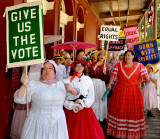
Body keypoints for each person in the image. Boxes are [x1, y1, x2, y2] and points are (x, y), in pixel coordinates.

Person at [14, 60, 79, 139]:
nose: (47, 71)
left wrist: (71, 89)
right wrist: (24, 85)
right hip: (37, 124)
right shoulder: (34, 84)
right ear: (41, 72)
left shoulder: (63, 84)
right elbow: (18, 99)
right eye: (44, 69)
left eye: (50, 68)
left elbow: (76, 94)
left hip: (58, 123)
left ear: (55, 71)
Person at [106, 50, 148, 139]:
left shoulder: (139, 66)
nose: (126, 57)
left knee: (132, 110)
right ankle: (118, 131)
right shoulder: (118, 65)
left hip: (134, 91)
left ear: (133, 56)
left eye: (129, 55)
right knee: (120, 109)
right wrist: (109, 85)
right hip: (120, 90)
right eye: (125, 55)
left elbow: (144, 77)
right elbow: (113, 76)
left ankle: (132, 132)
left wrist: (150, 78)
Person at [63, 59, 105, 139]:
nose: (79, 67)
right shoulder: (68, 80)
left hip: (85, 110)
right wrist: (72, 105)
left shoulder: (88, 79)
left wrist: (82, 103)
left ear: (84, 67)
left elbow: (91, 96)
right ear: (74, 67)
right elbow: (64, 97)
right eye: (77, 65)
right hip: (71, 111)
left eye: (81, 65)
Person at [10, 64, 41, 139]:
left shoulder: (41, 67)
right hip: (27, 92)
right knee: (24, 119)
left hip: (37, 94)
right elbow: (22, 79)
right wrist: (25, 82)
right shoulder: (27, 66)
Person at [88, 49, 110, 122]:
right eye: (100, 55)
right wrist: (96, 66)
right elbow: (90, 74)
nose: (102, 56)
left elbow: (107, 79)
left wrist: (105, 72)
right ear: (97, 56)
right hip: (93, 83)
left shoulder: (106, 65)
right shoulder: (92, 64)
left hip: (101, 84)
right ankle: (93, 117)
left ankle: (101, 118)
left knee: (101, 99)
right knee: (94, 99)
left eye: (104, 55)